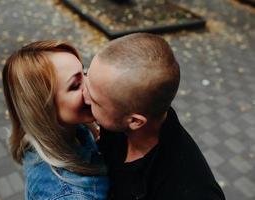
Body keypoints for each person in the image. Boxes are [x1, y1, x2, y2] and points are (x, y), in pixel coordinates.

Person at [83, 33, 226, 200]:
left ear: (135, 121)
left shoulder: (190, 190)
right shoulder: (121, 119)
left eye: (94, 100)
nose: (83, 95)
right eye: (87, 77)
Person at [2, 40, 109, 200]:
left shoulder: (63, 130)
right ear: (43, 109)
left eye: (84, 72)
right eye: (75, 85)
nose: (91, 86)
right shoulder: (67, 195)